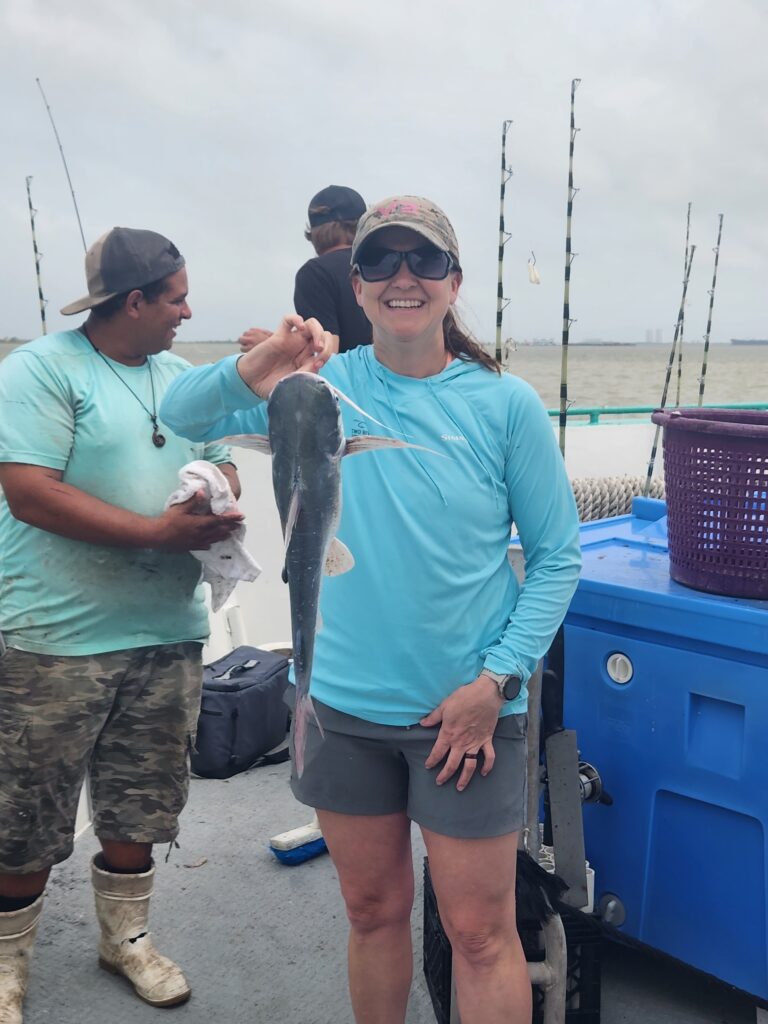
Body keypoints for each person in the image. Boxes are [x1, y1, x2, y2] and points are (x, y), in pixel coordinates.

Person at [160, 196, 582, 1024]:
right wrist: (268, 360)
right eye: (381, 261)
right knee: (371, 914)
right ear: (355, 286)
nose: (402, 278)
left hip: (464, 715)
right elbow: (178, 414)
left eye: (423, 261)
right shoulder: (313, 391)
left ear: (453, 282)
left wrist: (494, 685)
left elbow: (558, 558)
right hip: (338, 706)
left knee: (481, 933)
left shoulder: (505, 406)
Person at [0, 227, 243, 1022]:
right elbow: (29, 492)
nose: (187, 310)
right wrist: (154, 534)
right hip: (53, 640)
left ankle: (126, 939)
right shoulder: (40, 369)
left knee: (142, 804)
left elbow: (224, 448)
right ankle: (7, 965)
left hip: (167, 631)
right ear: (133, 301)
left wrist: (218, 481)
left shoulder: (182, 378)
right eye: (175, 298)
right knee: (25, 816)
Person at [238, 184, 372, 357]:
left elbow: (325, 356)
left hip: (350, 384)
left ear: (314, 233)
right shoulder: (382, 266)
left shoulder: (316, 273)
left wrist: (273, 348)